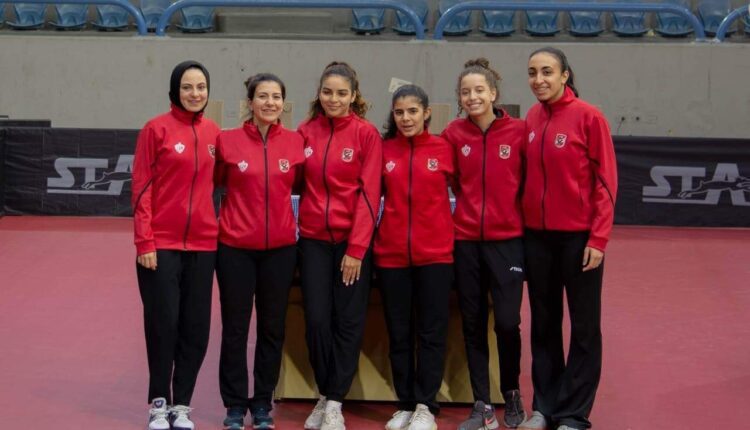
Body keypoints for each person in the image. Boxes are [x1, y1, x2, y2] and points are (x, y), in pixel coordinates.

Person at [518, 47, 617, 430]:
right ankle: (544, 407)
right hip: (537, 239)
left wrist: (598, 238)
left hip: (579, 240)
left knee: (584, 327)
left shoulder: (589, 117)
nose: (538, 79)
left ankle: (573, 413)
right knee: (543, 324)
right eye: (532, 72)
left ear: (564, 75)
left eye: (547, 72)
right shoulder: (531, 117)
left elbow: (606, 183)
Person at [131, 60, 220, 430]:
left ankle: (182, 404)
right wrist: (145, 241)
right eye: (187, 87)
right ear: (175, 90)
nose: (195, 94)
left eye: (201, 87)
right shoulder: (156, 129)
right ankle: (158, 402)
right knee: (163, 325)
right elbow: (141, 188)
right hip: (161, 245)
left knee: (195, 328)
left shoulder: (214, 133)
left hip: (203, 246)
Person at [214, 73, 304, 430]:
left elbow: (301, 188)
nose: (270, 103)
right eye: (262, 96)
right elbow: (214, 182)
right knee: (235, 329)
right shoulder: (227, 141)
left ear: (284, 103)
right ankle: (235, 403)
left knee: (272, 328)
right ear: (249, 103)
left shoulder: (295, 143)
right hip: (234, 249)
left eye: (276, 96)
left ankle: (263, 401)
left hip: (280, 251)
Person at [441, 58, 527, 430]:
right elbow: (452, 182)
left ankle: (511, 391)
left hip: (508, 242)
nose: (472, 97)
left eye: (479, 90)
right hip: (465, 243)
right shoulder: (453, 134)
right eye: (465, 92)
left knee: (507, 322)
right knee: (472, 323)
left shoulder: (519, 132)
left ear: (493, 93)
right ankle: (482, 403)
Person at [297, 61, 382, 430]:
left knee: (348, 322)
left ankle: (334, 402)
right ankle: (324, 391)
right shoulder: (305, 132)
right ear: (319, 93)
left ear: (353, 96)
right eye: (327, 92)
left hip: (352, 244)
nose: (334, 99)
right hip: (313, 241)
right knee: (316, 320)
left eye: (342, 93)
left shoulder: (366, 135)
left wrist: (357, 249)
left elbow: (369, 194)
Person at [375, 85, 455, 430]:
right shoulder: (384, 151)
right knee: (399, 333)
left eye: (412, 111)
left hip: (435, 257)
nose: (405, 118)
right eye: (399, 112)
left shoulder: (444, 149)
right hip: (391, 257)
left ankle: (426, 405)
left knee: (431, 332)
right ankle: (406, 403)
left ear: (426, 113)